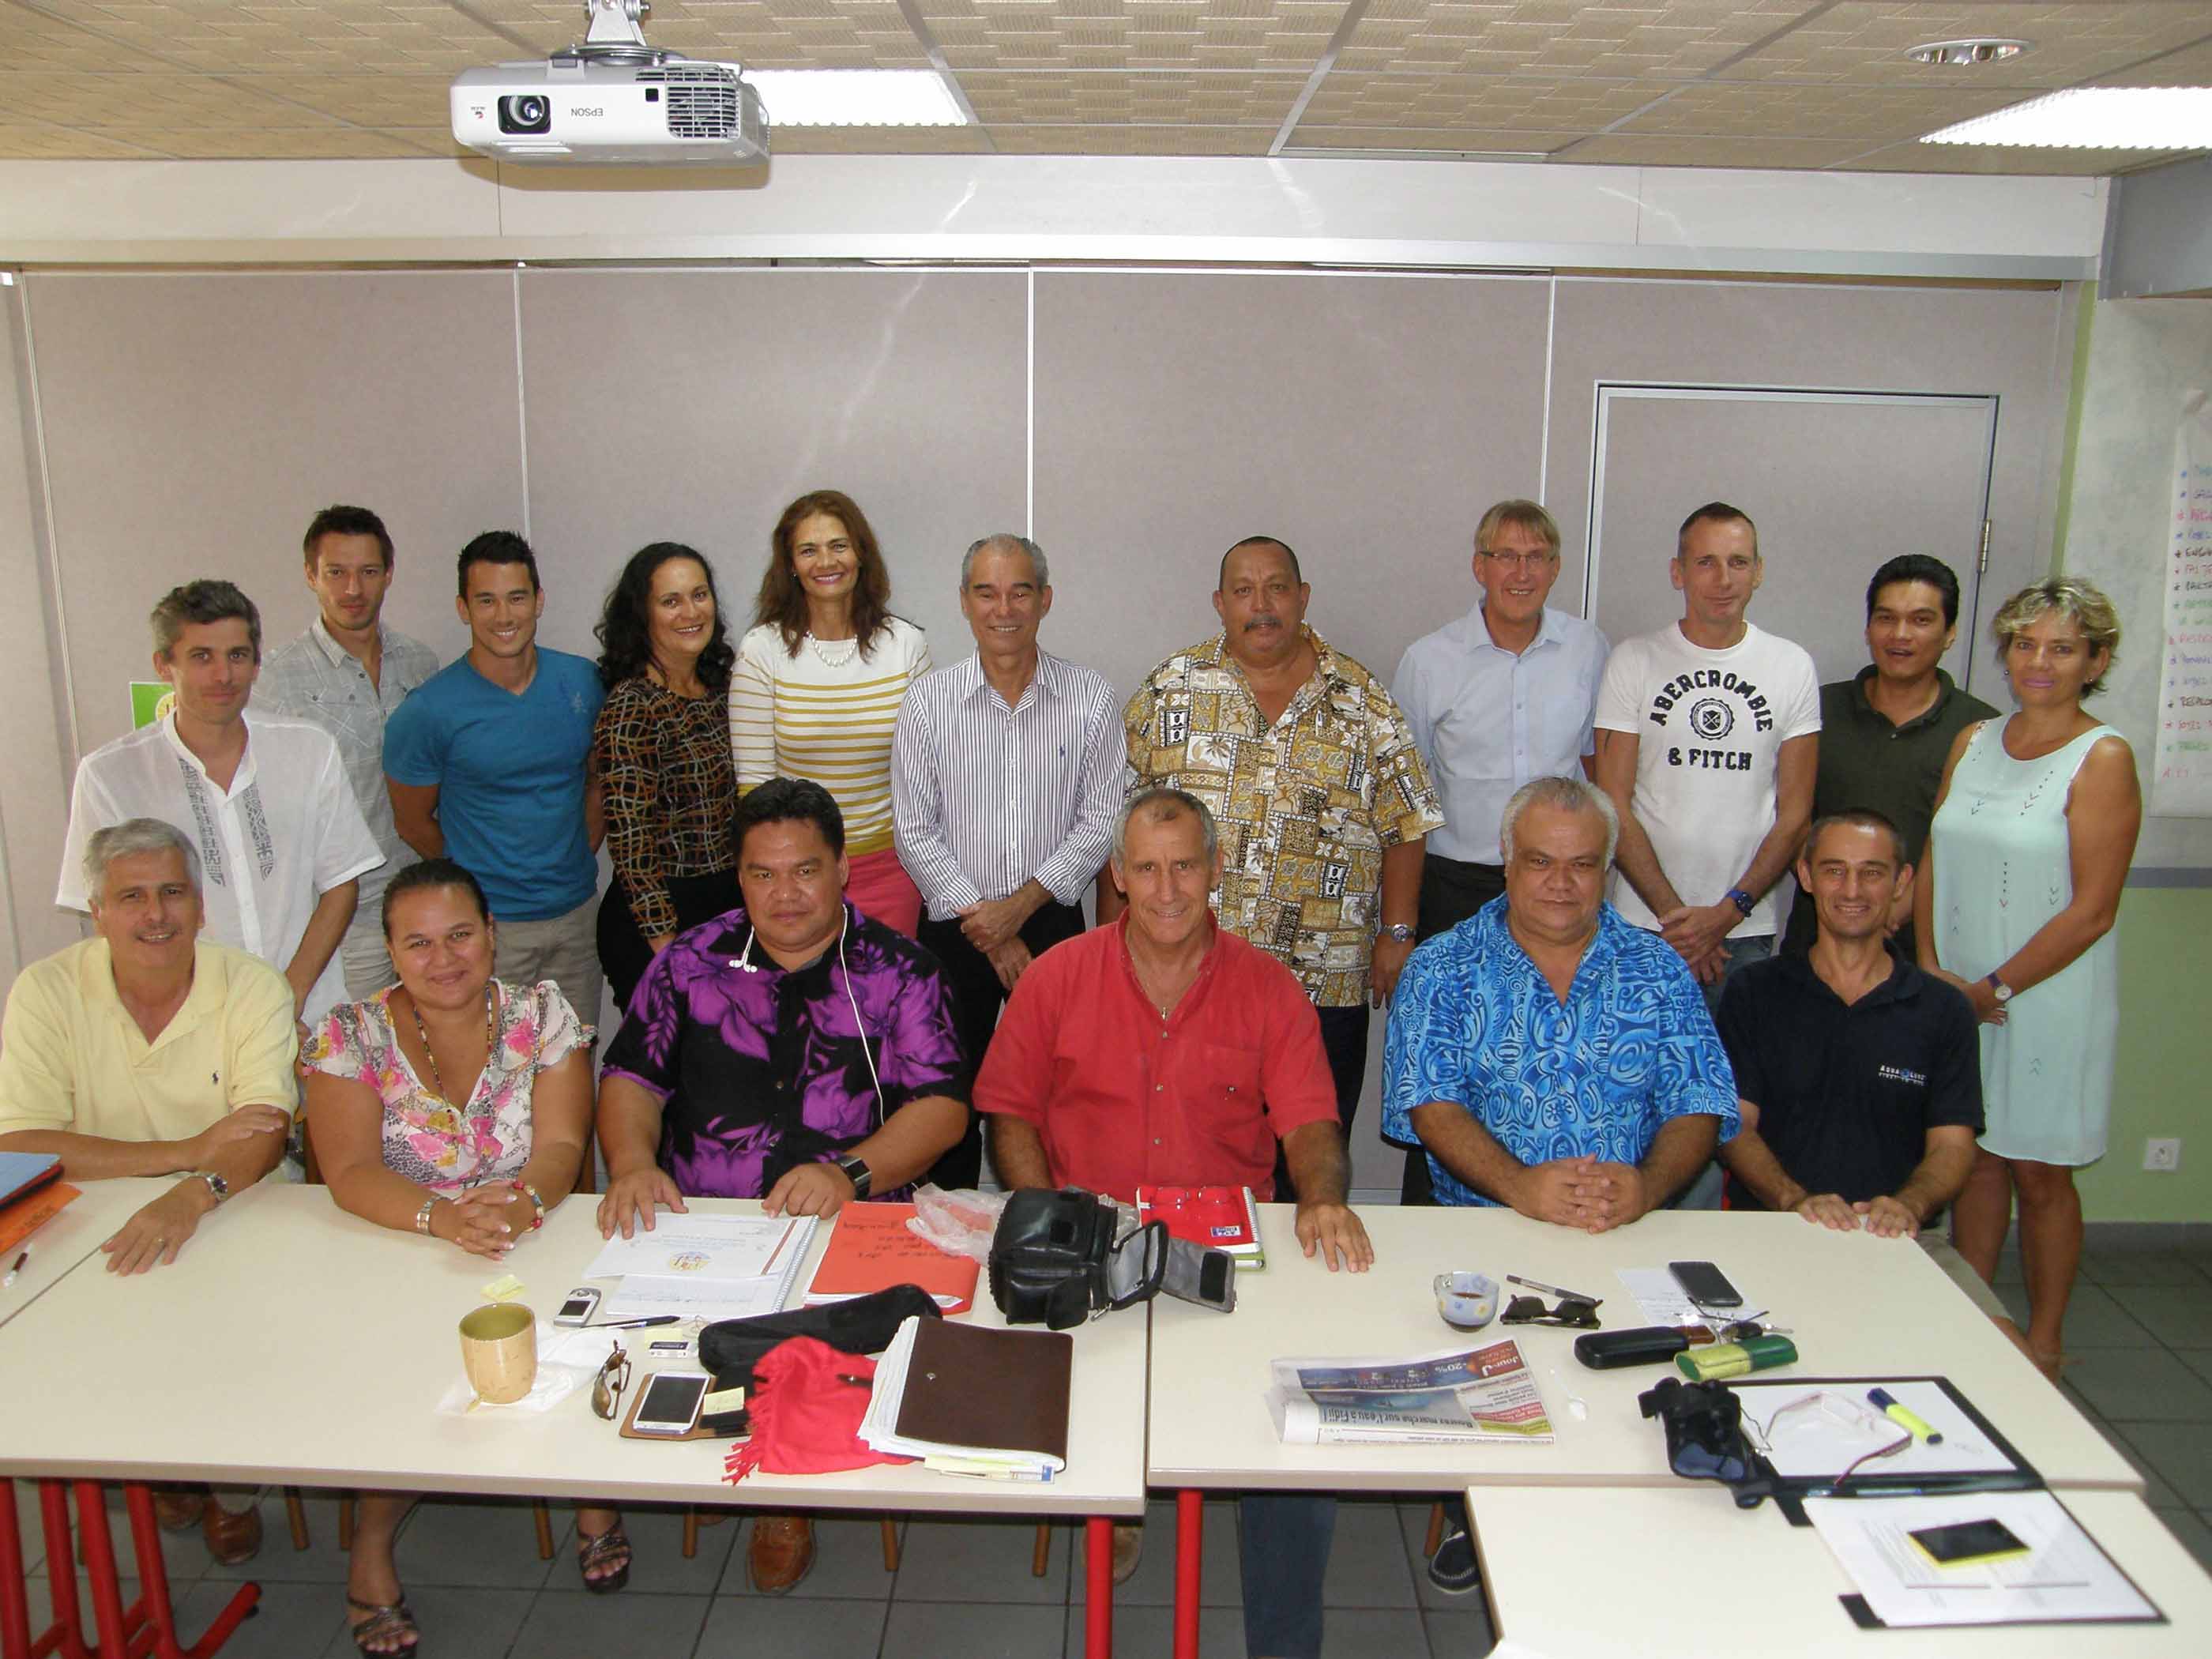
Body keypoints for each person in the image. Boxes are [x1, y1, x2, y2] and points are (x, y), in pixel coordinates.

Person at [976, 786, 1370, 1659]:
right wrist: (1043, 1216)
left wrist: (1324, 1198)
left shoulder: (1268, 987)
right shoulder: (1055, 977)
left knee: (1292, 1440)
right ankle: (1120, 1485)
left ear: (1215, 871)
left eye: (1183, 866)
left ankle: (1283, 1641)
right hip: (1092, 1243)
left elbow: (1309, 1121)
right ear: (1116, 875)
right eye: (1145, 869)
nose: (1164, 889)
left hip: (1226, 1248)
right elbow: (1010, 1112)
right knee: (1094, 1396)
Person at [596, 777, 967, 1594]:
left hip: (853, 1223)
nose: (785, 893)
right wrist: (631, 1163)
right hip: (709, 1220)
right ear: (739, 876)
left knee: (803, 1345)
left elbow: (942, 1110)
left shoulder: (900, 971)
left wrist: (851, 1172)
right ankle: (718, 1422)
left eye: (804, 870)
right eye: (762, 874)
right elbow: (630, 1077)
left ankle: (782, 1493)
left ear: (842, 870)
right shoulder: (689, 962)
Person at [1382, 774, 1736, 1593]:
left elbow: (1698, 1101)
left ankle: (1626, 1513)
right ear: (1505, 861)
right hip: (1486, 1227)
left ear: (1608, 866)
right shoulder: (1443, 966)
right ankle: (1488, 1516)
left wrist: (1646, 1186)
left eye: (1582, 864)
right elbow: (1427, 1104)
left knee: (1638, 1397)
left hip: (1633, 1230)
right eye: (1540, 861)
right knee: (1512, 1395)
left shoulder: (1656, 967)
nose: (1560, 883)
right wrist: (1519, 1187)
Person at [303, 859, 600, 1653]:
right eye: (420, 942)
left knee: (579, 1317)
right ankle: (371, 1546)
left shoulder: (544, 1014)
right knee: (387, 1366)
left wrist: (521, 1203)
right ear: (392, 952)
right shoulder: (349, 1033)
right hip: (400, 1242)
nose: (445, 959)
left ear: (493, 935)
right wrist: (442, 1221)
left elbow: (565, 1142)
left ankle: (589, 1491)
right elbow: (350, 1173)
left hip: (528, 1229)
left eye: (461, 935)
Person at [0, 819, 295, 1565]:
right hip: (96, 1208)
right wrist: (185, 1153)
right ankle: (161, 1464)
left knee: (238, 1329)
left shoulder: (252, 985)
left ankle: (231, 1484)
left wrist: (195, 1188)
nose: (154, 914)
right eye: (130, 896)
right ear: (96, 911)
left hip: (237, 1200)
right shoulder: (46, 989)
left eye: (171, 892)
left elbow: (261, 1135)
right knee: (92, 1335)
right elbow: (21, 1143)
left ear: (201, 906)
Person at [1115, 536, 1443, 1185]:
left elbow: (1406, 823)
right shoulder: (1170, 690)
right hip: (1197, 972)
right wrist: (1113, 938)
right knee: (1200, 1146)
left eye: (1276, 588)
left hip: (1324, 974)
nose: (1261, 606)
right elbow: (1121, 828)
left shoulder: (1362, 698)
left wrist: (1397, 933)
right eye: (1243, 590)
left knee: (1311, 1153)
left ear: (1303, 597)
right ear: (1219, 602)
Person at [1917, 577, 2139, 1382]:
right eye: (2024, 644)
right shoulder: (1974, 740)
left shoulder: (2101, 757)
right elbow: (1936, 854)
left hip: (2046, 1000)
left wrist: (1993, 989)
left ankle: (2043, 1345)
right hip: (1961, 992)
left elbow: (2092, 910)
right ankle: (1977, 1328)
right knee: (1972, 1155)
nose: (2038, 662)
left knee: (2039, 1172)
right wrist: (1933, 971)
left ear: (2095, 660)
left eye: (2061, 648)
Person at [1591, 502, 1817, 1208]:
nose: (1722, 578)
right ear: (1677, 572)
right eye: (1706, 562)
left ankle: (1698, 1271)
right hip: (1640, 928)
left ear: (1759, 573)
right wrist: (1675, 918)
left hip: (1744, 937)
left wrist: (1725, 914)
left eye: (1738, 562)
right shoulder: (1634, 660)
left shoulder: (1789, 666)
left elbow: (1796, 813)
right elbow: (1612, 801)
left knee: (1719, 1110)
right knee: (1627, 1099)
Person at [1390, 498, 1608, 1202]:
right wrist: (1398, 927)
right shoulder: (1429, 660)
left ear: (1556, 567)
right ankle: (1431, 1212)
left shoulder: (1589, 649)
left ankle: (1556, 1196)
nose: (1522, 571)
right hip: (1457, 886)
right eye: (1506, 556)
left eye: (1537, 557)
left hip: (1559, 889)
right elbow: (1407, 803)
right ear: (1479, 566)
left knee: (1550, 1059)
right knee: (1448, 1064)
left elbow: (1597, 771)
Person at [890, 533, 1121, 1187]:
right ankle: (948, 1224)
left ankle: (1054, 1222)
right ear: (964, 603)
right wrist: (987, 926)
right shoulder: (928, 703)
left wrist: (1016, 910)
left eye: (1020, 590)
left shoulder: (1090, 698)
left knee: (1051, 1091)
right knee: (946, 1094)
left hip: (1049, 924)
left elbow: (1102, 820)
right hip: (954, 929)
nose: (1004, 608)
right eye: (987, 592)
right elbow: (914, 830)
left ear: (1045, 600)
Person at [58, 580, 383, 1025]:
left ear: (256, 664)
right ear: (163, 665)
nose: (223, 675)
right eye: (201, 657)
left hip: (309, 1016)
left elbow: (341, 882)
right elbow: (108, 916)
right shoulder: (112, 774)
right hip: (186, 1027)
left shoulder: (308, 749)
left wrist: (289, 995)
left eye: (237, 655)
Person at [1717, 811, 1985, 1251]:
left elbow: (1953, 1146)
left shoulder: (1943, 1009)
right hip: (1771, 1231)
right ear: (1806, 876)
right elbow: (1734, 1125)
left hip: (1897, 1238)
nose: (1852, 890)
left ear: (1902, 882)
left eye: (1872, 873)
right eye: (1834, 871)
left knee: (1997, 1325)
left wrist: (1909, 1205)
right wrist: (1795, 1201)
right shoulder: (1754, 992)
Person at [384, 532, 608, 1025]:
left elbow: (599, 782)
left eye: (516, 598)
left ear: (539, 601)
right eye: (486, 600)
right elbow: (412, 821)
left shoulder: (583, 683)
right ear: (463, 608)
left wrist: (577, 852)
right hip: (488, 928)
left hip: (576, 916)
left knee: (572, 1064)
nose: (503, 616)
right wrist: (475, 884)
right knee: (495, 1080)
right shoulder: (427, 711)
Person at [261, 505, 442, 1000]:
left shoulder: (421, 664)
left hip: (426, 905)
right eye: (335, 573)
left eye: (367, 572)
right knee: (361, 1062)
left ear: (389, 575)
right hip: (346, 917)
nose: (353, 590)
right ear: (310, 576)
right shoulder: (276, 680)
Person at [731, 491, 931, 935]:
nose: (826, 561)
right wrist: (787, 871)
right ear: (790, 565)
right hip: (795, 875)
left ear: (861, 553)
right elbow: (756, 787)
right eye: (808, 550)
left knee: (883, 1002)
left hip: (890, 869)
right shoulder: (761, 652)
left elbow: (925, 772)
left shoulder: (906, 646)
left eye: (839, 545)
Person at [1782, 555, 1997, 959]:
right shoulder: (1817, 709)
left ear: (1950, 633)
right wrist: (1843, 903)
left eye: (1920, 620)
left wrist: (1896, 907)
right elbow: (1788, 821)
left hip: (1926, 953)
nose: (1900, 635)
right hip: (1816, 946)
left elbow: (1974, 847)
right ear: (1868, 628)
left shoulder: (1982, 729)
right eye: (1886, 618)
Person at [592, 541, 742, 1013]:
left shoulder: (725, 691)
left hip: (728, 905)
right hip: (658, 919)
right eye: (670, 601)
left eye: (699, 595)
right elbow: (631, 841)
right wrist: (668, 947)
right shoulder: (631, 706)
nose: (690, 612)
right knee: (669, 1073)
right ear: (643, 614)